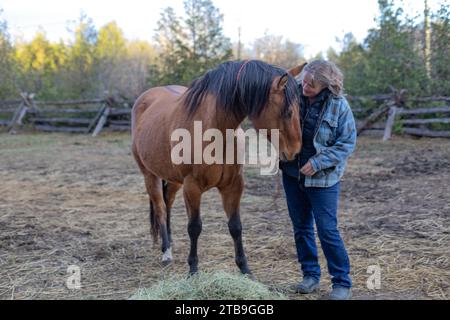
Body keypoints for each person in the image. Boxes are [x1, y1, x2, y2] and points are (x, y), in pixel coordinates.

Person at [279, 60, 357, 300]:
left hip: (323, 181)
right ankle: (310, 275)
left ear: (326, 85)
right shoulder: (293, 98)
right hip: (292, 176)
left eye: (311, 84)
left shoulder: (339, 106)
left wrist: (318, 162)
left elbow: (347, 143)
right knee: (301, 228)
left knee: (327, 230)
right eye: (304, 80)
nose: (305, 86)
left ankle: (341, 283)